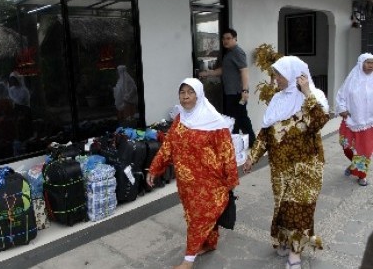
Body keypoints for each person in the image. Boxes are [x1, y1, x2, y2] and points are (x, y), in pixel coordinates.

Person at [242, 56, 329, 269]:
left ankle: (295, 253)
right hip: (280, 168)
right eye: (275, 73)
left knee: (300, 210)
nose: (275, 78)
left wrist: (307, 91)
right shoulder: (277, 99)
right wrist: (252, 157)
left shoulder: (314, 97)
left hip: (307, 167)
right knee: (283, 207)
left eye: (279, 74)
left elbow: (318, 121)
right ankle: (284, 240)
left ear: (294, 74)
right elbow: (266, 133)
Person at [146, 78, 239, 269]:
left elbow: (227, 151)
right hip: (186, 182)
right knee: (193, 215)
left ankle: (187, 261)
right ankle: (209, 243)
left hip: (208, 181)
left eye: (190, 92)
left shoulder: (215, 122)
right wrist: (155, 168)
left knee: (199, 218)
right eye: (182, 92)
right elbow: (168, 146)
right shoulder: (181, 118)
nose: (186, 96)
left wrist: (231, 178)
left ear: (199, 94)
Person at [199, 28, 256, 147]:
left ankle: (253, 143)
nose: (225, 41)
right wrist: (208, 73)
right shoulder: (229, 53)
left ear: (235, 39)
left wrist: (244, 91)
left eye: (228, 38)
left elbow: (244, 71)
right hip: (230, 92)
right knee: (233, 119)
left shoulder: (237, 52)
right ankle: (233, 143)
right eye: (224, 39)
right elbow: (224, 70)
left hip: (237, 93)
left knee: (241, 118)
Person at [335, 53, 373, 186]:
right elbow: (341, 95)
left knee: (365, 151)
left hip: (368, 123)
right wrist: (342, 109)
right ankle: (354, 165)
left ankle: (362, 176)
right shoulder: (351, 79)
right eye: (368, 62)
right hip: (351, 121)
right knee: (346, 147)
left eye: (372, 63)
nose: (370, 66)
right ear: (360, 63)